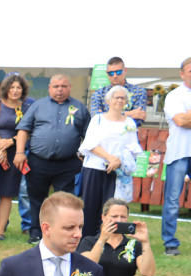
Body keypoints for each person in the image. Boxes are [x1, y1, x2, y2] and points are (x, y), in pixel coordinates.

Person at [14, 74, 91, 244]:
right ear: (49, 88)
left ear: (70, 87)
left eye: (63, 86)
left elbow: (89, 136)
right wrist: (20, 153)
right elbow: (23, 130)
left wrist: (83, 155)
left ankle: (66, 230)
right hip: (38, 161)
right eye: (56, 86)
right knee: (36, 198)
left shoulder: (80, 108)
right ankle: (36, 232)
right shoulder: (37, 106)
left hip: (67, 163)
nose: (60, 90)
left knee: (66, 200)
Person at [79, 86, 142, 238]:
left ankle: (111, 241)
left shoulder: (130, 123)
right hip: (94, 169)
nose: (119, 100)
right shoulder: (97, 119)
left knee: (113, 209)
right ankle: (87, 240)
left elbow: (133, 148)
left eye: (122, 98)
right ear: (108, 100)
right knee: (90, 206)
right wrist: (109, 158)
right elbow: (90, 144)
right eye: (116, 97)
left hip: (117, 173)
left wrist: (118, 160)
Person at [0, 74, 32, 241]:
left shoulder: (27, 107)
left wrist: (10, 143)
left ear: (23, 90)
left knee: (7, 192)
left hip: (15, 151)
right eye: (12, 87)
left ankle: (1, 231)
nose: (15, 90)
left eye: (18, 87)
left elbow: (28, 132)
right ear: (6, 89)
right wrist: (0, 146)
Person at [161, 57, 191, 257]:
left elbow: (186, 118)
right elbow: (180, 121)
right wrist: (185, 117)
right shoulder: (174, 95)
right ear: (182, 74)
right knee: (172, 199)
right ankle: (170, 243)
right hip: (180, 152)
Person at [89, 57, 149, 126]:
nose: (114, 76)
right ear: (106, 73)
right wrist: (129, 113)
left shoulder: (139, 92)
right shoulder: (98, 93)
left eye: (118, 72)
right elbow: (96, 118)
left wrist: (107, 115)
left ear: (125, 70)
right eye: (111, 73)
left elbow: (139, 119)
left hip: (128, 133)